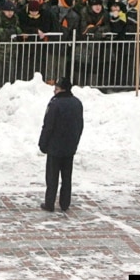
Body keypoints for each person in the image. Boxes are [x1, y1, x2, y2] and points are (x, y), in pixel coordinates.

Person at [38, 77, 84, 212]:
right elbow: (80, 125)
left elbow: (48, 126)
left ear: (62, 89)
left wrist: (43, 143)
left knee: (52, 177)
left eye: (56, 89)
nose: (54, 91)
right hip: (70, 146)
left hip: (55, 146)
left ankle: (50, 203)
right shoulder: (77, 103)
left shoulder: (55, 104)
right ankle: (65, 203)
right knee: (67, 176)